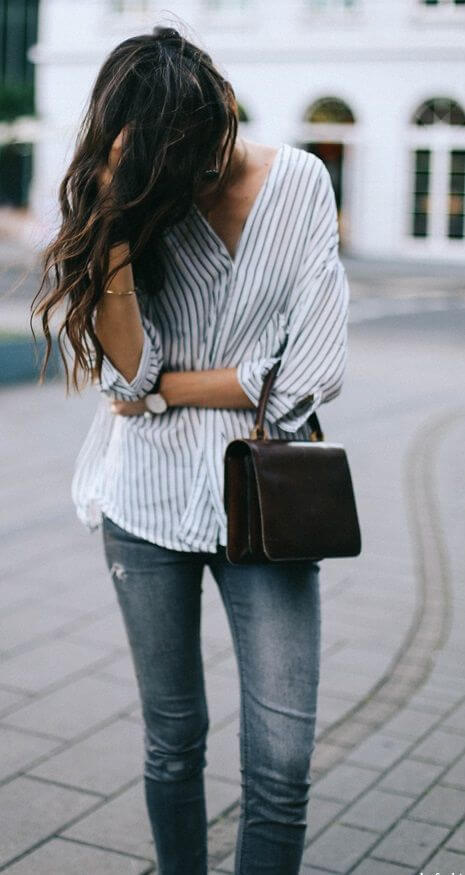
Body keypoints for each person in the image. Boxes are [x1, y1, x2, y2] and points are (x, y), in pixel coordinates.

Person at [31, 25, 350, 875]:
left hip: (269, 503)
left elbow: (305, 378)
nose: (200, 176)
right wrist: (115, 224)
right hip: (144, 504)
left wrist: (172, 388)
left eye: (205, 152)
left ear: (225, 110)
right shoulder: (141, 203)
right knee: (173, 742)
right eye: (172, 164)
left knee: (281, 765)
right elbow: (127, 377)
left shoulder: (301, 183)